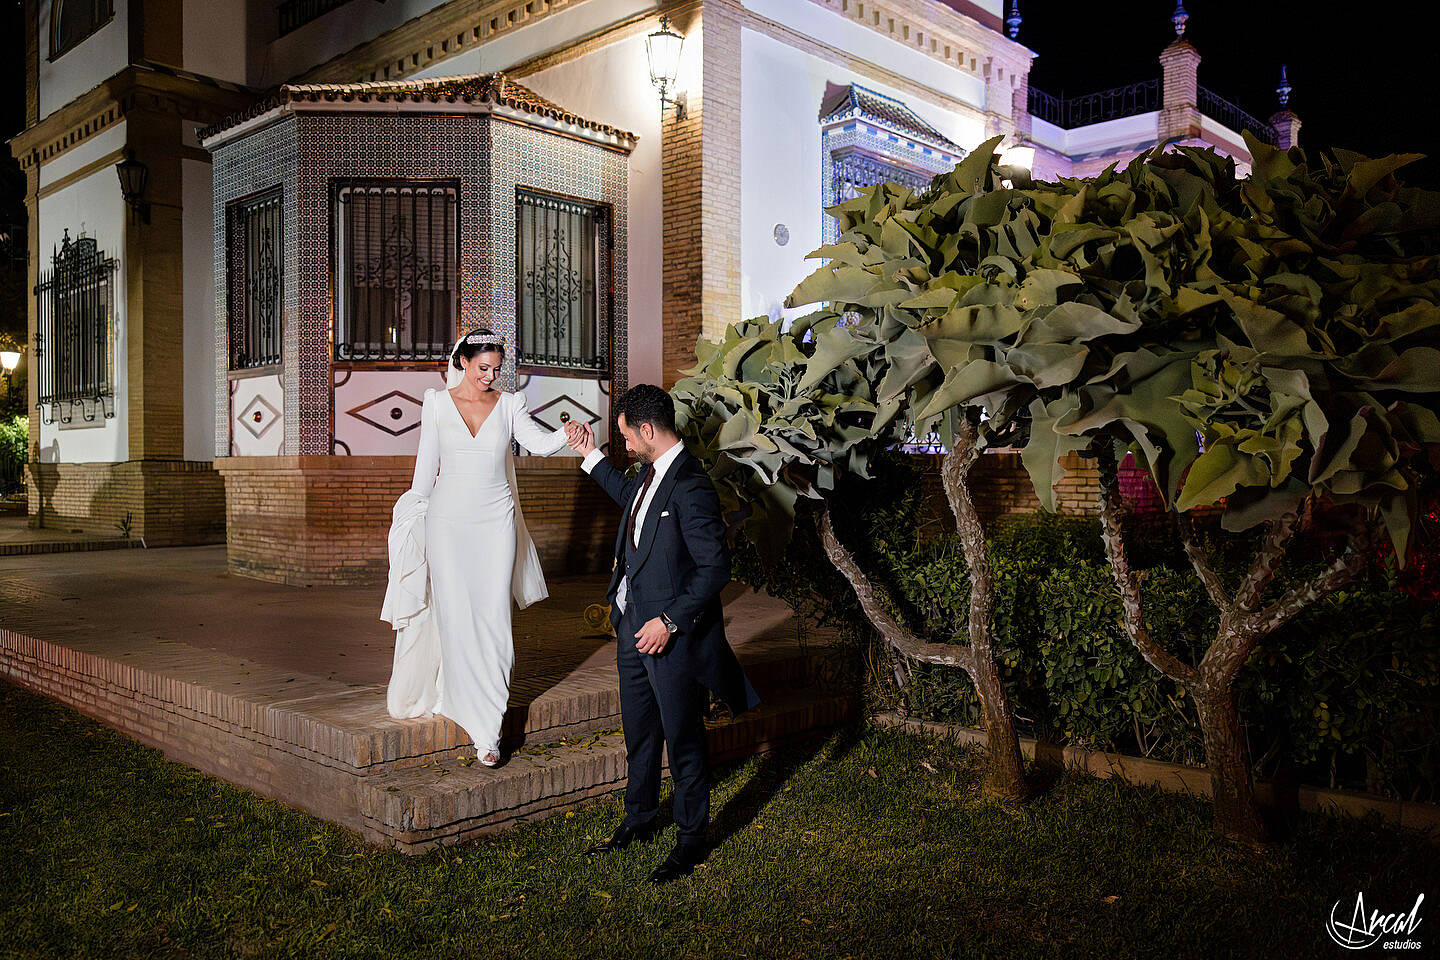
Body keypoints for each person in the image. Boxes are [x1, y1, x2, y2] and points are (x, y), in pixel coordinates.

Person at [567, 384, 760, 883]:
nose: (624, 445)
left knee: (684, 738)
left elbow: (714, 568)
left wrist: (670, 621)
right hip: (632, 627)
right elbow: (629, 497)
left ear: (647, 430)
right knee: (641, 731)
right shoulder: (651, 473)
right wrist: (589, 456)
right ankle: (640, 817)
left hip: (668, 635)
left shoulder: (691, 486)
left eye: (627, 435)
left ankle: (691, 839)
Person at [381, 328, 576, 767]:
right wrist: (412, 531)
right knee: (454, 618)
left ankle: (487, 727)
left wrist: (570, 433)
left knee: (493, 619)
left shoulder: (510, 406)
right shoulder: (435, 405)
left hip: (496, 522)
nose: (491, 376)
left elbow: (541, 445)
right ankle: (458, 700)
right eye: (483, 367)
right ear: (463, 362)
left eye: (497, 368)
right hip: (446, 524)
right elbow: (423, 475)